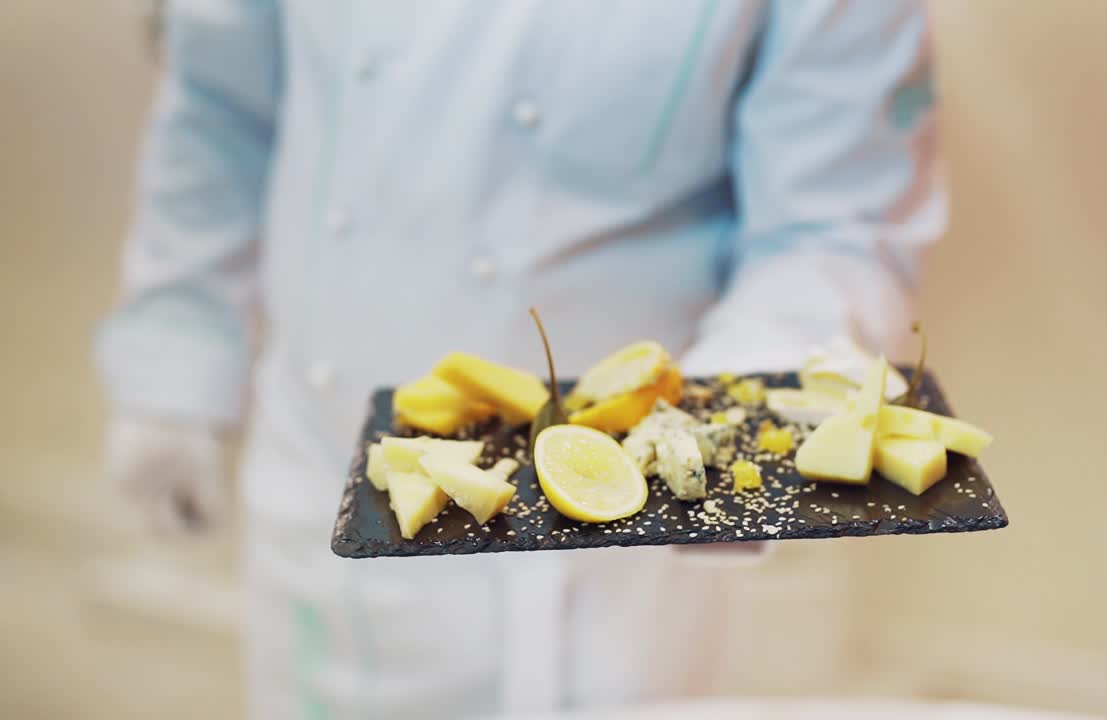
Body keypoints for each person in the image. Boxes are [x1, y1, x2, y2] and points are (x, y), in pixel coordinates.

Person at [97, 1, 945, 718]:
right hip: (322, 479)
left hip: (620, 560)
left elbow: (833, 223)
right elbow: (217, 106)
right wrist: (179, 353)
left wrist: (741, 430)